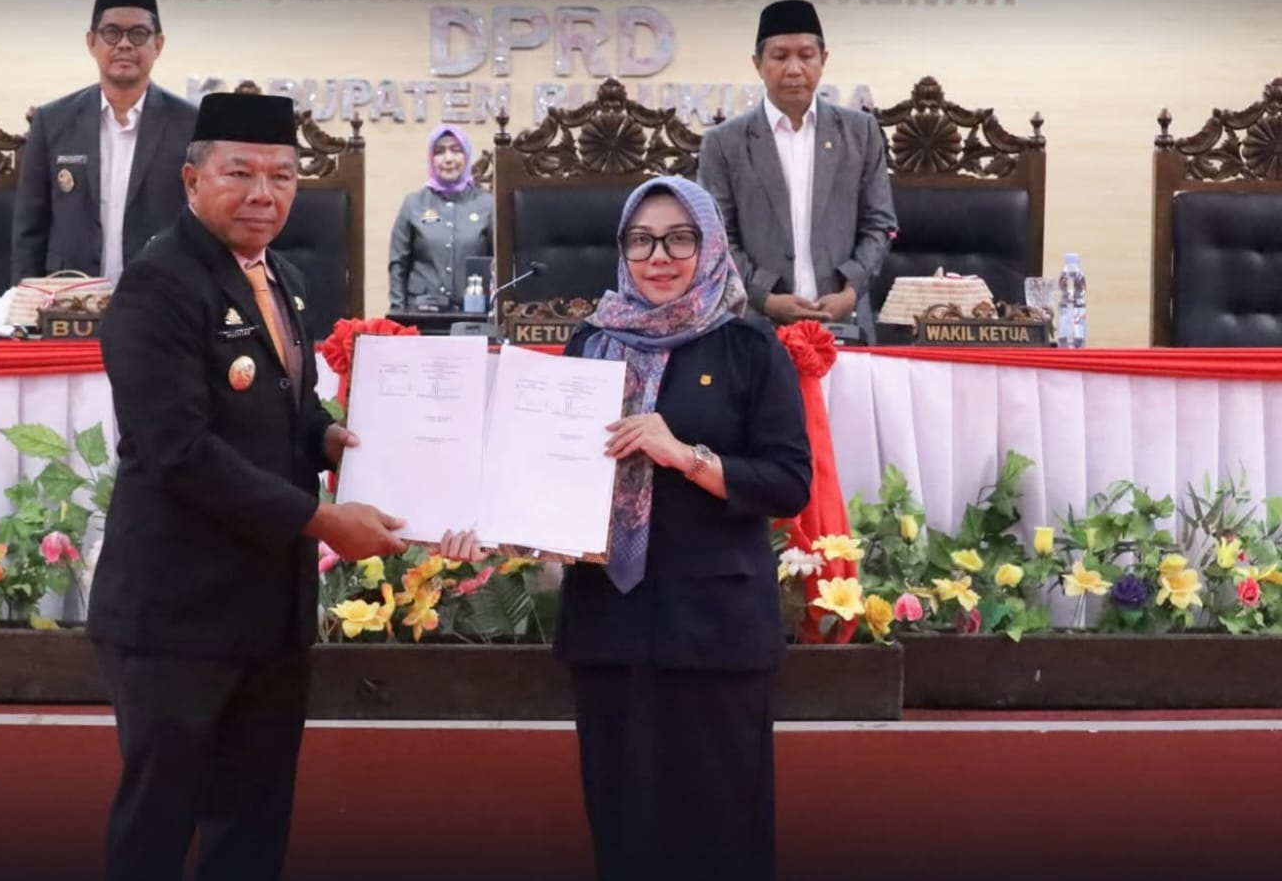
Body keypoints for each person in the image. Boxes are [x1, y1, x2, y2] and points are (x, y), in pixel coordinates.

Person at [440, 176, 812, 881]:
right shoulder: (592, 341)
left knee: (723, 836)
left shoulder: (749, 345)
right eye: (641, 241)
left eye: (678, 239)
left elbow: (789, 483)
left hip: (714, 630)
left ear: (710, 244)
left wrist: (686, 456)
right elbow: (553, 476)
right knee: (624, 833)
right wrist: (496, 522)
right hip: (610, 625)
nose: (658, 257)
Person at [90, 91, 408, 881]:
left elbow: (288, 408)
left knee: (254, 823)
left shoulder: (283, 278)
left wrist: (326, 437)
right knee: (158, 827)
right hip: (179, 612)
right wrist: (323, 520)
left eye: (282, 176)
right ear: (193, 180)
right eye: (240, 173)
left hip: (270, 610)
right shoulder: (157, 286)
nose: (263, 194)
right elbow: (180, 450)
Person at [698, 0, 897, 341]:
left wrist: (850, 290)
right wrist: (766, 297)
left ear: (823, 60)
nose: (794, 69)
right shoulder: (723, 143)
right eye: (780, 56)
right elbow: (716, 236)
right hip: (755, 326)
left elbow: (880, 223)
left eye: (806, 56)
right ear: (758, 64)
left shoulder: (860, 132)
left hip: (844, 323)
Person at [12, 0, 199, 285]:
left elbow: (206, 224)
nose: (124, 44)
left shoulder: (191, 125)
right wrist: (26, 301)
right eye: (111, 32)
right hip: (69, 297)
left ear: (158, 45)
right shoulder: (52, 121)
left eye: (138, 33)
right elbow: (29, 230)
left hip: (163, 296)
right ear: (91, 42)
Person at [387, 124, 492, 312]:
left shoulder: (487, 204)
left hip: (473, 312)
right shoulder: (413, 203)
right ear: (431, 158)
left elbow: (500, 263)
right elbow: (398, 264)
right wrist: (398, 312)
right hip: (420, 311)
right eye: (439, 152)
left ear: (467, 156)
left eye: (456, 150)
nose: (448, 159)